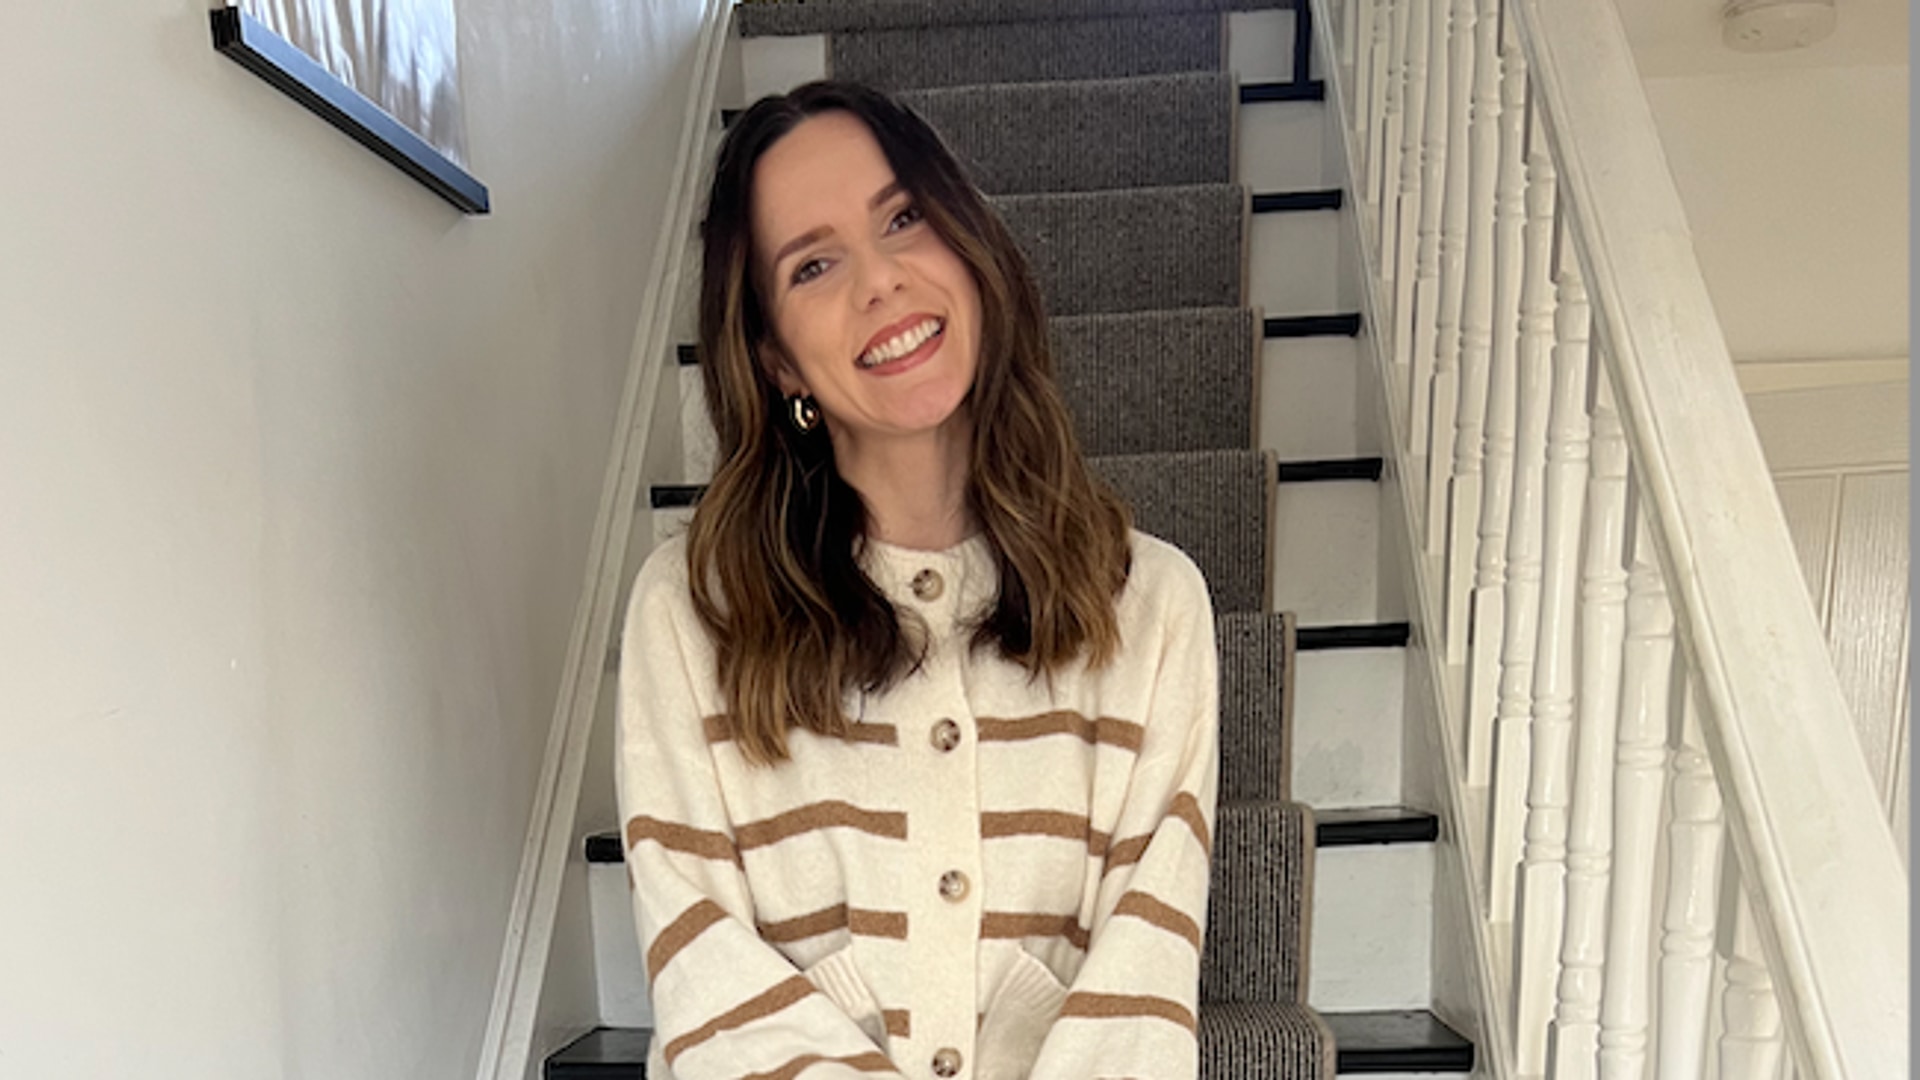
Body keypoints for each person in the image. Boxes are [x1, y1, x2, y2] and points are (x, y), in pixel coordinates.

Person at [615, 80, 1220, 1080]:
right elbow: (705, 978)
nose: (881, 281)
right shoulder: (691, 612)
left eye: (903, 218)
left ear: (970, 250)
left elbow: (1142, 984)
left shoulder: (1150, 605)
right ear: (778, 363)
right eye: (813, 265)